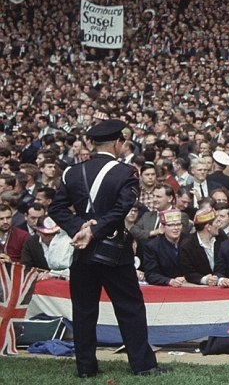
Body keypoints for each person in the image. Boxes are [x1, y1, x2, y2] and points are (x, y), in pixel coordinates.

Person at [48, 119, 167, 377]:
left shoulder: (72, 172)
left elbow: (56, 208)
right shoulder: (126, 172)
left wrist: (81, 227)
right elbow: (122, 208)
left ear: (93, 143)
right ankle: (143, 365)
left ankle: (86, 368)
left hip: (82, 251)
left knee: (84, 311)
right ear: (117, 143)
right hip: (115, 252)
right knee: (130, 308)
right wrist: (93, 230)